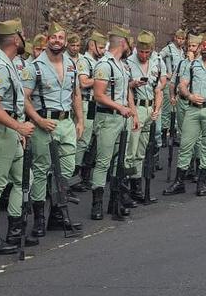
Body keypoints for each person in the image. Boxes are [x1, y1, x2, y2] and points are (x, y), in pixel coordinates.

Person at [0, 18, 37, 255]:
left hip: (9, 130)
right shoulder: (1, 66)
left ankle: (15, 231)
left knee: (24, 178)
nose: (25, 39)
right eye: (22, 35)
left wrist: (16, 128)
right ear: (15, 38)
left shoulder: (9, 63)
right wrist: (19, 127)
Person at [21, 22, 85, 236]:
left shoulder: (71, 65)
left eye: (60, 37)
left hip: (66, 123)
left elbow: (76, 94)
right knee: (41, 171)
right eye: (53, 37)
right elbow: (25, 98)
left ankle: (56, 215)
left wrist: (80, 120)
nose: (57, 41)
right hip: (45, 122)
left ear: (65, 41)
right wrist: (38, 120)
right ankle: (39, 220)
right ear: (47, 39)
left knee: (66, 169)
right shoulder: (34, 67)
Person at [163, 33, 206, 196]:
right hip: (193, 109)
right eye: (204, 44)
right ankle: (179, 182)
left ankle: (201, 182)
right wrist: (189, 95)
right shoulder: (193, 65)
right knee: (186, 145)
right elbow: (182, 84)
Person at [90, 26, 138, 220]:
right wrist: (120, 107)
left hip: (122, 117)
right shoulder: (104, 65)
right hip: (108, 118)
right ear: (123, 43)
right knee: (103, 162)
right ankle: (97, 203)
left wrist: (133, 113)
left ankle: (115, 200)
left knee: (119, 162)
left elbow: (127, 91)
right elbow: (98, 95)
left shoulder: (123, 65)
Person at [126, 30, 164, 204]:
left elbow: (159, 88)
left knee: (141, 152)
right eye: (141, 51)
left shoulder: (157, 61)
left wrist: (157, 108)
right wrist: (132, 84)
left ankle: (137, 187)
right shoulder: (128, 62)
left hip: (150, 108)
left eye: (147, 52)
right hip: (136, 107)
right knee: (130, 151)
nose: (144, 55)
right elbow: (124, 90)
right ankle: (125, 188)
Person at [71, 31, 106, 192]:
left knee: (91, 140)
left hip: (94, 104)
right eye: (100, 47)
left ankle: (85, 174)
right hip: (85, 103)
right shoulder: (84, 61)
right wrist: (101, 80)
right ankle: (73, 175)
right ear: (92, 45)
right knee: (82, 140)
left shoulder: (98, 61)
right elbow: (83, 82)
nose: (103, 50)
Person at [159, 29, 186, 147]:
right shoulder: (168, 49)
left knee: (176, 109)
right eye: (178, 38)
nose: (180, 40)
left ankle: (174, 135)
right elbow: (158, 59)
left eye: (182, 38)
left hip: (178, 83)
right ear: (175, 37)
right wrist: (165, 73)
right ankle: (164, 135)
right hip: (169, 82)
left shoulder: (182, 51)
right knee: (167, 109)